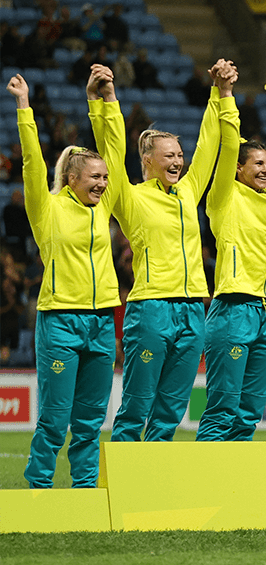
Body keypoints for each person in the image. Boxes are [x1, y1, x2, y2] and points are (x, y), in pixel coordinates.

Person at [90, 60, 234, 442]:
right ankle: (120, 488)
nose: (177, 161)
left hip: (193, 311)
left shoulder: (188, 191)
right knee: (136, 407)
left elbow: (208, 144)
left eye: (178, 155)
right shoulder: (130, 198)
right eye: (168, 155)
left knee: (170, 411)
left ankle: (150, 494)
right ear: (147, 160)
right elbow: (110, 150)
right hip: (151, 309)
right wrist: (106, 102)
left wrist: (218, 93)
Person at [9, 72, 120, 488]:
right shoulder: (47, 207)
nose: (103, 184)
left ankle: (85, 487)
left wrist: (105, 100)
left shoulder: (103, 205)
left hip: (101, 322)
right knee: (55, 418)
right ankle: (39, 488)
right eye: (95, 178)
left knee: (91, 419)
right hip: (60, 321)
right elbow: (32, 164)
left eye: (105, 178)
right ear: (72, 178)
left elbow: (115, 146)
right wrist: (25, 108)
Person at [196, 71, 266, 442]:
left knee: (249, 414)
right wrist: (227, 93)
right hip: (234, 308)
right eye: (258, 165)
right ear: (238, 168)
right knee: (222, 410)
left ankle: (231, 494)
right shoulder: (223, 196)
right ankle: (204, 490)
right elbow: (227, 143)